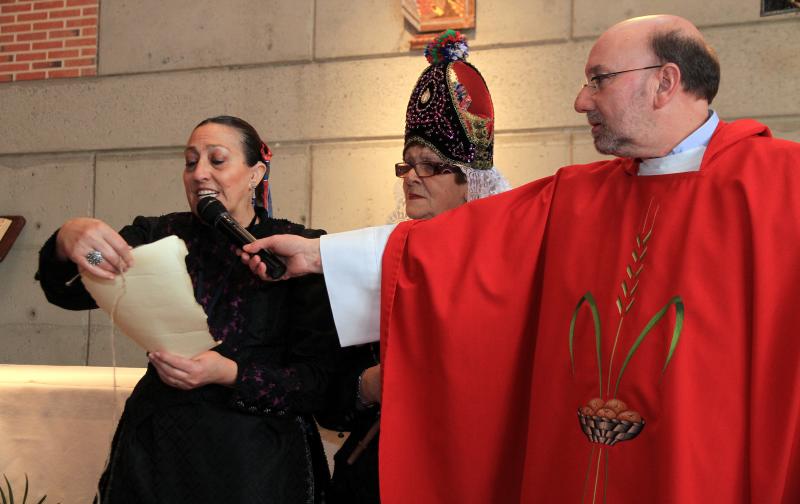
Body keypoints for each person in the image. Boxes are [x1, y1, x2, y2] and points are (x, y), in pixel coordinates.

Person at [242, 16, 800, 503]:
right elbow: (451, 249)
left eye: (598, 80)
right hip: (575, 467)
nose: (582, 100)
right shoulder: (576, 195)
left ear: (665, 82)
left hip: (705, 470)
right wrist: (320, 255)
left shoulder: (779, 184)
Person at [37, 115, 337, 503]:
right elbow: (72, 290)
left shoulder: (299, 250)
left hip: (257, 464)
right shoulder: (155, 235)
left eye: (217, 160)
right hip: (159, 453)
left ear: (255, 174)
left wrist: (229, 372)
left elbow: (318, 383)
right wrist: (70, 240)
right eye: (190, 161)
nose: (199, 174)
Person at [315, 30, 509, 504]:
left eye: (432, 166)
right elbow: (329, 390)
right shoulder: (373, 259)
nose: (413, 179)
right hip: (376, 471)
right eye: (407, 165)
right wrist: (369, 386)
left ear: (473, 183)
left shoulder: (507, 266)